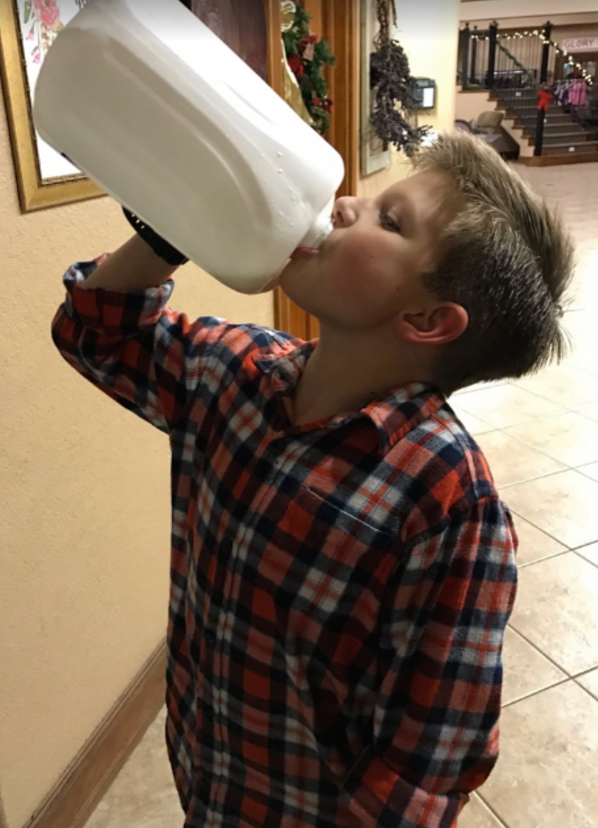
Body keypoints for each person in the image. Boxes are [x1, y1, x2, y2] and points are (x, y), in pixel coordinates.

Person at [51, 131, 574, 828]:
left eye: (391, 220)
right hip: (210, 776)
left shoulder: (450, 510)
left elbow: (424, 768)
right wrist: (164, 233)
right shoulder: (235, 371)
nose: (347, 204)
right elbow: (95, 335)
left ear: (425, 320)